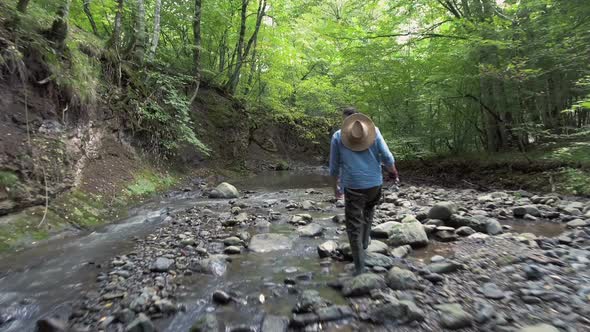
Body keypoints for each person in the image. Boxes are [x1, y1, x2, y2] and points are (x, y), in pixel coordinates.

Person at [329, 107, 399, 275]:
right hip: (374, 184)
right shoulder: (374, 131)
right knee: (368, 210)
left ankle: (360, 267)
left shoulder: (338, 136)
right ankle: (365, 244)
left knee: (353, 226)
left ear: (346, 122)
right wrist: (393, 172)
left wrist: (335, 188)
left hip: (353, 186)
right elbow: (387, 157)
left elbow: (333, 167)